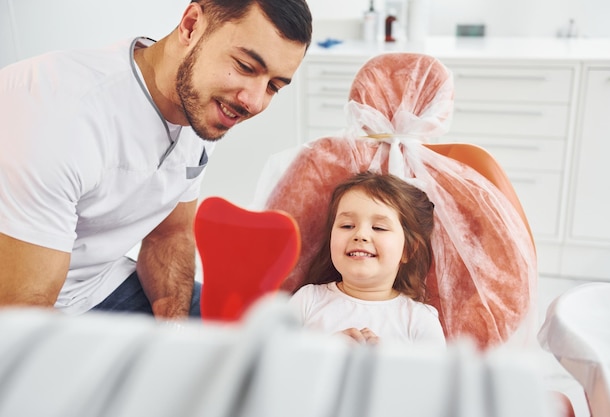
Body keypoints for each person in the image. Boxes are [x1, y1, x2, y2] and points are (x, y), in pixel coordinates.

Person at [0, 0, 312, 319]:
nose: (254, 101)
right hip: (27, 305)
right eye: (245, 67)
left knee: (250, 339)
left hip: (98, 283)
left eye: (273, 86)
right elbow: (22, 318)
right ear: (191, 26)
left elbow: (170, 234)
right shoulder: (62, 116)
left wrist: (174, 333)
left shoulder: (202, 106)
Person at [288, 171, 446, 347]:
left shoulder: (419, 320)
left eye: (379, 228)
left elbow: (433, 375)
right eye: (347, 225)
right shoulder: (307, 301)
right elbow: (271, 368)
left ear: (407, 249)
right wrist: (325, 354)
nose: (360, 235)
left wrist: (386, 364)